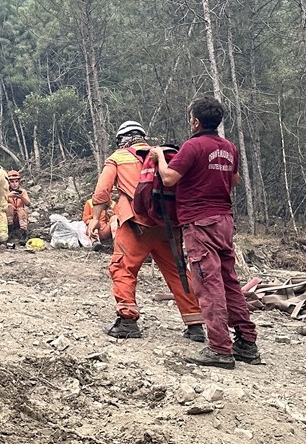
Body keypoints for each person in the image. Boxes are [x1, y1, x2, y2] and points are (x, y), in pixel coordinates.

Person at [152, 97, 260, 369]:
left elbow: (168, 179)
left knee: (207, 284)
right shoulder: (228, 148)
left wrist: (159, 158)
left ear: (196, 121)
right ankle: (247, 342)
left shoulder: (193, 146)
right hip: (224, 220)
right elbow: (234, 180)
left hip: (199, 223)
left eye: (191, 118)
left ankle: (220, 348)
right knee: (228, 281)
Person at [88, 120, 205, 342]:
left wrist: (95, 218)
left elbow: (102, 191)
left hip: (135, 224)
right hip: (168, 226)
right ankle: (195, 324)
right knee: (178, 272)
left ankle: (127, 321)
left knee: (122, 268)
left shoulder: (118, 157)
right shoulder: (162, 154)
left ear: (121, 139)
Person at [6, 170, 31, 246]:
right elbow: (0, 201)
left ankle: (23, 233)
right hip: (10, 216)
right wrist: (8, 196)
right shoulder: (6, 191)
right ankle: (9, 231)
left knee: (21, 209)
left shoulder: (23, 191)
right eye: (12, 182)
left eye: (16, 181)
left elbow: (28, 204)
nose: (14, 184)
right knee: (9, 206)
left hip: (20, 217)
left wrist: (21, 197)